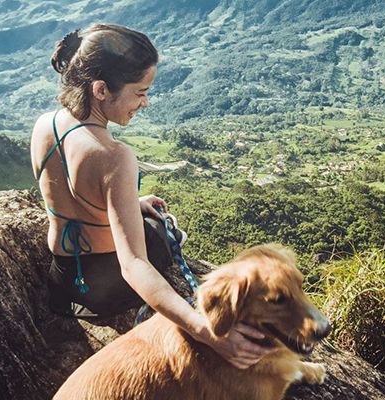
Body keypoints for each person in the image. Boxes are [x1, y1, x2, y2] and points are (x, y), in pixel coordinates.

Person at [30, 23, 272, 369]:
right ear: (100, 89)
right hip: (101, 290)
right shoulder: (114, 156)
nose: (145, 103)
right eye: (140, 92)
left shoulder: (46, 123)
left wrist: (129, 203)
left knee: (146, 215)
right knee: (163, 232)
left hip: (63, 277)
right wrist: (203, 330)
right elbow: (134, 266)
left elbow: (69, 193)